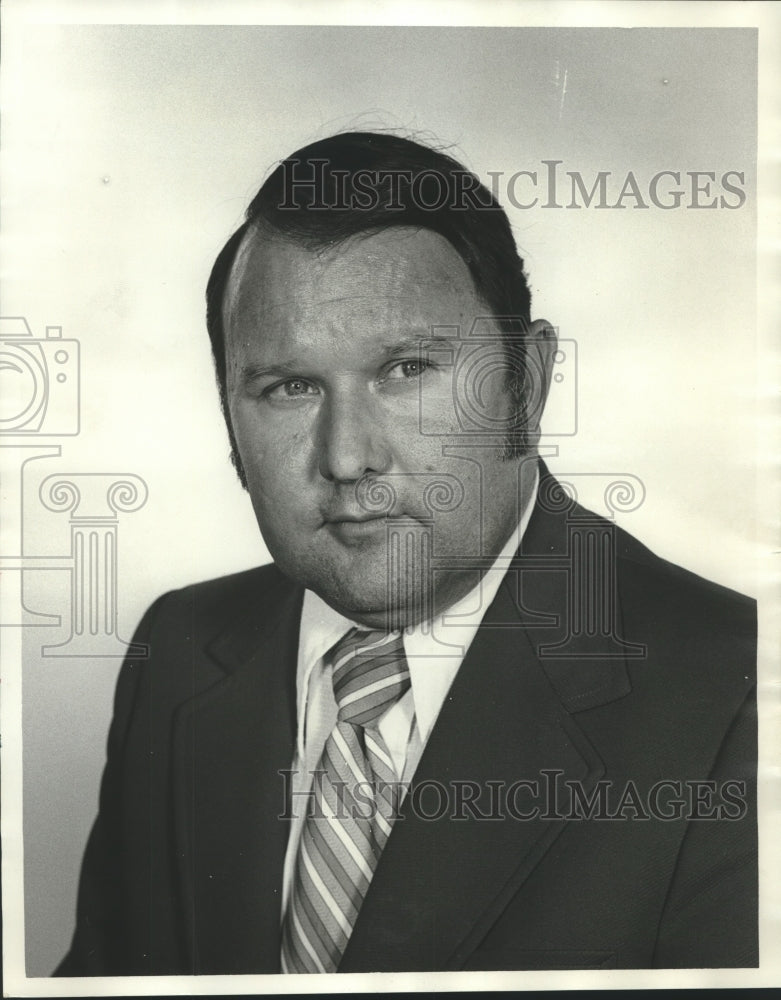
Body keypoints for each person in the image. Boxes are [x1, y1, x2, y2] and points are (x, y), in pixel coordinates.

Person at [56, 131, 757, 975]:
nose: (347, 457)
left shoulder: (735, 691)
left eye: (405, 370)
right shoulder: (179, 646)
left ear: (525, 386)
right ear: (229, 426)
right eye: (290, 387)